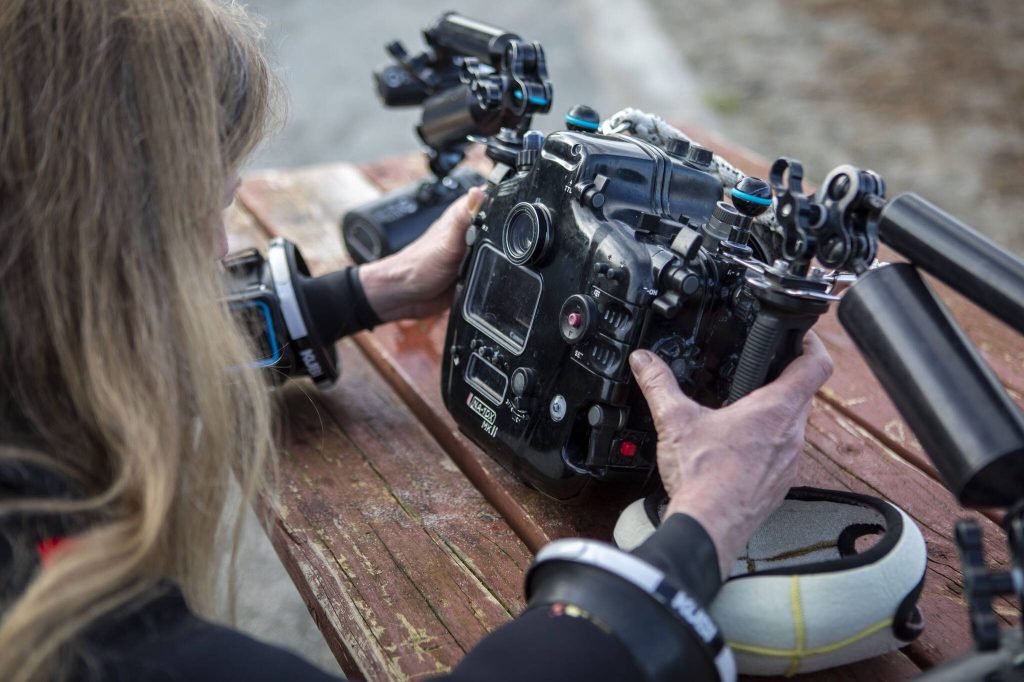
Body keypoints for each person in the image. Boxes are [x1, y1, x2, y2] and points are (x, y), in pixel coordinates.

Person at [0, 1, 833, 680]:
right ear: (103, 238)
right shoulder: (83, 634)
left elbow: (88, 330)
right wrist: (702, 527)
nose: (221, 252)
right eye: (210, 210)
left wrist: (366, 294)